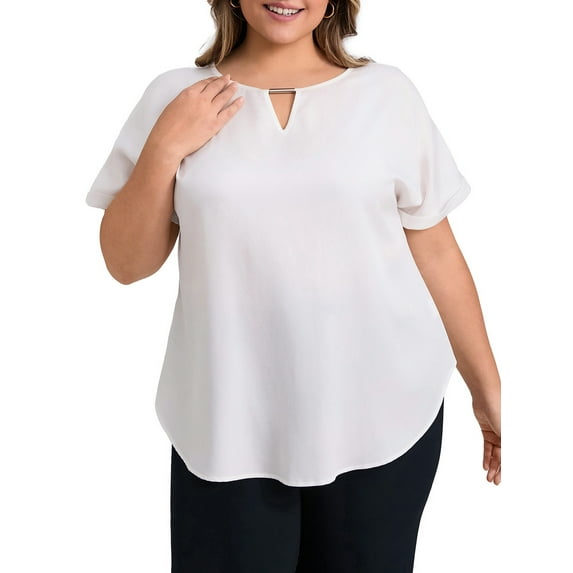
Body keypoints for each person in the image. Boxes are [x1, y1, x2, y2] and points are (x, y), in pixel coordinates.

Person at [86, 0, 502, 571]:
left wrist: (486, 387)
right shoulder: (176, 97)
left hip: (379, 419)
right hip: (227, 424)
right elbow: (126, 264)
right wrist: (164, 147)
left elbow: (435, 251)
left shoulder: (387, 95)